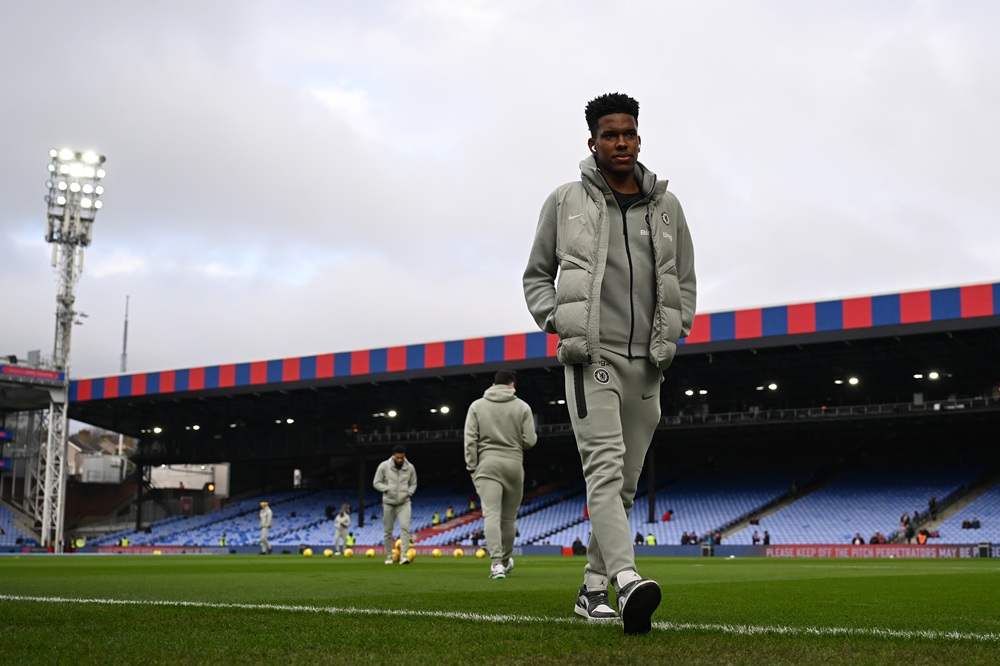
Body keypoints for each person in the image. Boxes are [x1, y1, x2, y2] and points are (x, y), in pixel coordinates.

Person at [523, 92, 697, 635]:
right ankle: (626, 581)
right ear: (592, 142)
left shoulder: (668, 208)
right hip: (591, 357)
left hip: (647, 362)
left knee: (624, 484)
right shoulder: (565, 201)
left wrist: (676, 331)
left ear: (639, 138)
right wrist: (561, 323)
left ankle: (592, 589)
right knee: (603, 467)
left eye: (629, 133)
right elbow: (536, 277)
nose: (620, 142)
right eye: (609, 135)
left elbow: (684, 282)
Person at [464, 369, 538, 579]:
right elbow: (530, 441)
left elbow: (470, 440)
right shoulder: (522, 406)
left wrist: (471, 466)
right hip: (514, 463)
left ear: (493, 384)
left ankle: (496, 564)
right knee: (508, 519)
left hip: (487, 464)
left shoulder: (477, 406)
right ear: (512, 385)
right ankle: (506, 561)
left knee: (491, 514)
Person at [373, 445, 417, 564]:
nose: (399, 460)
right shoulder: (384, 466)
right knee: (388, 530)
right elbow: (376, 482)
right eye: (397, 458)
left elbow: (413, 483)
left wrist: (409, 493)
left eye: (401, 458)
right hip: (388, 503)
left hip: (404, 503)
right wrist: (386, 489)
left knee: (405, 528)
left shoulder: (410, 468)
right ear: (393, 456)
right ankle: (389, 556)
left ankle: (404, 556)